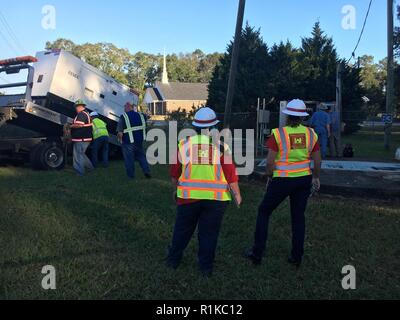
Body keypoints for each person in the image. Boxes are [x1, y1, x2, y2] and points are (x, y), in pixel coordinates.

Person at [245, 99, 322, 268]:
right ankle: (297, 257)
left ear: (287, 115)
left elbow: (270, 161)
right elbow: (317, 160)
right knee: (298, 218)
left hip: (282, 180)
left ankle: (257, 253)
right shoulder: (311, 134)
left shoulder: (278, 134)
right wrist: (315, 177)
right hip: (303, 180)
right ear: (302, 117)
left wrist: (268, 174)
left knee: (264, 211)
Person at [167, 107, 242, 277]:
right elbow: (231, 175)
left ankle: (173, 261)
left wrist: (175, 191)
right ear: (215, 126)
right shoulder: (222, 147)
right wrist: (237, 195)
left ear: (195, 127)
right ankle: (205, 268)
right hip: (216, 201)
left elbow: (174, 174)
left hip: (187, 198)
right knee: (209, 234)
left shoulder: (183, 145)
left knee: (182, 230)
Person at [117, 102, 151, 179]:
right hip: (139, 141)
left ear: (128, 107)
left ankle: (131, 176)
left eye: (124, 107)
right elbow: (148, 115)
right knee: (141, 157)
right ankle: (146, 171)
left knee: (129, 159)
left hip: (128, 142)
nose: (124, 109)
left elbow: (120, 132)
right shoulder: (141, 116)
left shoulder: (123, 117)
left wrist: (120, 139)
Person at [70, 100, 94, 176]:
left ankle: (80, 173)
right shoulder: (86, 113)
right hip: (85, 138)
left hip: (81, 138)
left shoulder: (82, 114)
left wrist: (69, 126)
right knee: (81, 154)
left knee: (78, 156)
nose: (75, 109)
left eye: (76, 107)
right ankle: (90, 168)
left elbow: (79, 125)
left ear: (80, 106)